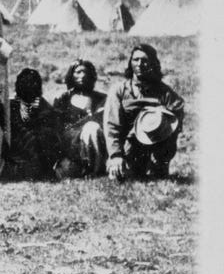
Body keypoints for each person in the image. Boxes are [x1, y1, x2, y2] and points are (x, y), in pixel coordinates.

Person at [104, 43, 186, 181]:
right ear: (130, 63)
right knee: (123, 178)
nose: (140, 64)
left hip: (155, 147)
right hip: (127, 148)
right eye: (136, 60)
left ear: (153, 63)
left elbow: (177, 109)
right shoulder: (119, 90)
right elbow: (112, 125)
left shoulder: (163, 92)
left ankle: (156, 166)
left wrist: (161, 120)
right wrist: (116, 155)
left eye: (145, 60)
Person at [51, 59, 109, 178]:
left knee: (92, 128)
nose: (82, 75)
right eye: (78, 72)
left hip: (97, 139)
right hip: (72, 142)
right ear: (71, 75)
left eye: (85, 72)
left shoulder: (101, 98)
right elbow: (57, 126)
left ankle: (95, 169)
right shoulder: (63, 99)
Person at [5, 68, 61, 181]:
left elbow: (51, 136)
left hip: (40, 153)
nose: (28, 84)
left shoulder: (46, 108)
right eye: (24, 81)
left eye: (32, 81)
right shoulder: (11, 106)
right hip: (18, 152)